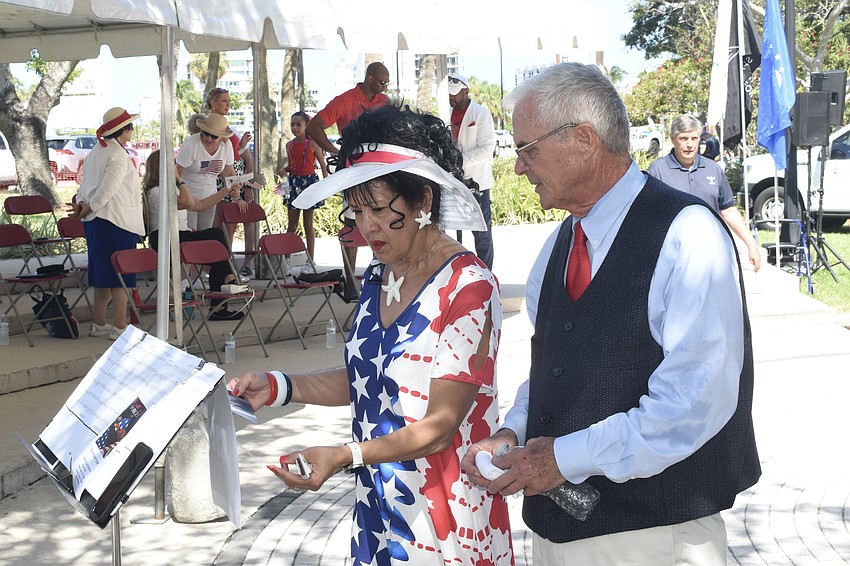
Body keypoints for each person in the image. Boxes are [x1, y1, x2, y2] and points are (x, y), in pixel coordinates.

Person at [461, 62, 760, 565]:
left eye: (527, 149)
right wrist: (516, 429)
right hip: (559, 532)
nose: (517, 168)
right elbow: (554, 366)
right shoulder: (560, 243)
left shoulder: (688, 234)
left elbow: (691, 404)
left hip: (654, 535)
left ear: (582, 139)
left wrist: (560, 458)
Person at [227, 105, 514, 565]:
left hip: (445, 520)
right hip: (380, 508)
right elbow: (369, 377)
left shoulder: (469, 286)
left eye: (380, 210)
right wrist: (282, 386)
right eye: (357, 211)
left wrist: (344, 456)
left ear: (423, 200)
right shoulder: (380, 273)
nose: (367, 227)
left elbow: (440, 428)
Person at [306, 61, 391, 299]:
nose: (385, 87)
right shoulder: (345, 100)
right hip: (353, 172)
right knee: (353, 226)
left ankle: (380, 281)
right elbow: (314, 127)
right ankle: (350, 282)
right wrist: (335, 152)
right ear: (370, 79)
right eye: (382, 82)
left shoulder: (384, 102)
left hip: (380, 172)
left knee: (382, 224)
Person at [648, 115, 761, 272]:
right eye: (683, 138)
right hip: (672, 259)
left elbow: (728, 210)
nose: (689, 145)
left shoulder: (713, 169)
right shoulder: (657, 171)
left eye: (694, 138)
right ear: (673, 139)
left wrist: (750, 244)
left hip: (711, 255)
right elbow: (648, 217)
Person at [70, 107, 145, 340]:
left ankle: (99, 322)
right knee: (121, 275)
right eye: (130, 126)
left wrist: (83, 206)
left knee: (102, 274)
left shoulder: (95, 152)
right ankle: (120, 325)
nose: (132, 130)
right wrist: (89, 205)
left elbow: (85, 186)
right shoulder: (117, 155)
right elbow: (107, 190)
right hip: (116, 221)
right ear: (124, 130)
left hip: (95, 220)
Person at [142, 150, 245, 320]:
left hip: (182, 234)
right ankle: (227, 285)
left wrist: (226, 191)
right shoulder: (157, 191)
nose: (176, 168)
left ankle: (223, 297)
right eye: (173, 165)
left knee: (215, 236)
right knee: (214, 243)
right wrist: (180, 180)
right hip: (165, 238)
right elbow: (189, 203)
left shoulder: (172, 190)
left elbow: (202, 205)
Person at [204, 87, 258, 279]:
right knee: (223, 223)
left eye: (229, 101)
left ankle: (222, 267)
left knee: (229, 224)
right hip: (224, 176)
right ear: (213, 103)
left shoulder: (228, 127)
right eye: (224, 101)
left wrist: (242, 145)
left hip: (234, 174)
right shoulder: (210, 126)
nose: (228, 104)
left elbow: (242, 154)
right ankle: (218, 267)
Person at [446, 73, 496, 270]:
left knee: (482, 235)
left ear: (466, 91)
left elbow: (486, 149)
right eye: (449, 94)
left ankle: (486, 275)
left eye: (455, 94)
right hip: (454, 181)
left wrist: (458, 162)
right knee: (454, 233)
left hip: (478, 184)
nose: (451, 98)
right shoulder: (446, 112)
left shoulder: (481, 113)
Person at [175, 113, 241, 231]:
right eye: (205, 133)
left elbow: (228, 172)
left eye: (214, 136)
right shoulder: (192, 144)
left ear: (222, 137)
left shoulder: (227, 146)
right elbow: (177, 172)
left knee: (205, 235)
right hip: (189, 197)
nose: (208, 138)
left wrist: (237, 196)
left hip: (210, 197)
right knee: (191, 236)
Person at [280, 111, 329, 260]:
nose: (295, 128)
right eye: (292, 125)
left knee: (308, 224)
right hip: (293, 183)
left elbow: (322, 164)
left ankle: (310, 259)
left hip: (309, 183)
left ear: (306, 126)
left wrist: (326, 185)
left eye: (298, 125)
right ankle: (287, 260)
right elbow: (292, 165)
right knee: (292, 224)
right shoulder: (289, 145)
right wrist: (284, 170)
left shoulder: (313, 144)